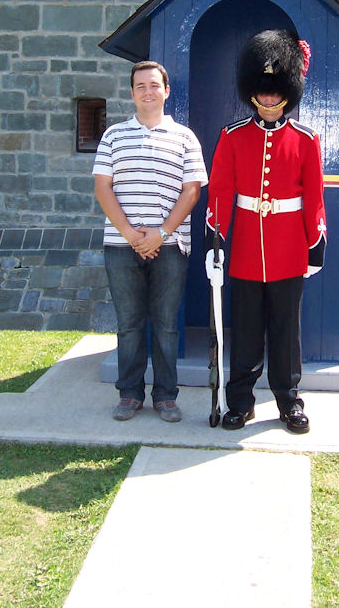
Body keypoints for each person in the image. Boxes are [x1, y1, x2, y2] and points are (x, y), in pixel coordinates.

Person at [205, 30, 326, 434]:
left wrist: (315, 242)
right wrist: (215, 236)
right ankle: (240, 401)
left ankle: (289, 401)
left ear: (288, 91)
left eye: (277, 91)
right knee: (246, 331)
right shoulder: (232, 136)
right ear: (254, 91)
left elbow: (313, 197)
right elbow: (220, 191)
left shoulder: (307, 140)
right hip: (243, 254)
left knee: (286, 331)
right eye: (265, 90)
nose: (270, 97)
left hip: (290, 249)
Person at [93, 61, 207, 422]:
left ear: (166, 90)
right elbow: (102, 188)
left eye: (154, 85)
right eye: (140, 86)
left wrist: (160, 233)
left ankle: (165, 396)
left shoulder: (185, 137)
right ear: (131, 93)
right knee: (128, 323)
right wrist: (130, 234)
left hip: (171, 247)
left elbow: (191, 191)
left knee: (165, 325)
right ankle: (129, 394)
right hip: (120, 245)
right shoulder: (112, 136)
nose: (147, 91)